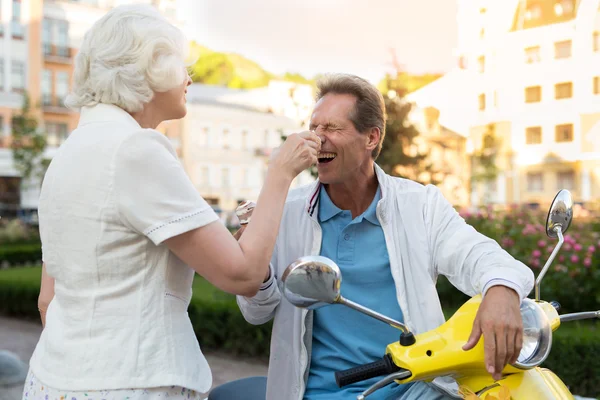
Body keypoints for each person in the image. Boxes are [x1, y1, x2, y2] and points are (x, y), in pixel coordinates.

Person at [27, 4, 320, 400]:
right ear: (151, 69)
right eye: (182, 66)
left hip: (52, 381)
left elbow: (49, 299)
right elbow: (243, 275)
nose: (190, 78)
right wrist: (280, 173)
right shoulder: (136, 150)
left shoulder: (69, 152)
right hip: (131, 384)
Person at [225, 74, 534, 400]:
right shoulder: (285, 209)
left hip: (417, 391)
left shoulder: (421, 204)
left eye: (330, 128)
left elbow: (476, 253)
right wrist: (254, 262)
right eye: (312, 128)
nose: (316, 140)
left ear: (371, 138)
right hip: (316, 395)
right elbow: (256, 312)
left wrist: (501, 289)